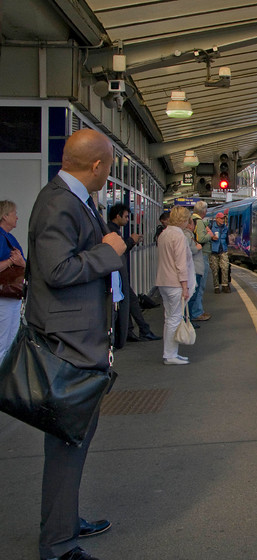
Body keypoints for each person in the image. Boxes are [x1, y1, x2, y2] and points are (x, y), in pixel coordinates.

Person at [26, 128, 127, 560]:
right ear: (97, 166)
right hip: (68, 344)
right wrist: (108, 250)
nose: (108, 176)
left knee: (73, 441)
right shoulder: (59, 204)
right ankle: (58, 546)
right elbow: (56, 270)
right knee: (69, 444)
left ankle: (65, 522)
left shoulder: (73, 201)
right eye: (108, 167)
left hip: (78, 340)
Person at [107, 203, 160, 343]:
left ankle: (131, 330)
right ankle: (141, 330)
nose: (127, 219)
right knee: (131, 301)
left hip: (118, 275)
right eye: (125, 216)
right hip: (117, 275)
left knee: (129, 301)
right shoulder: (111, 232)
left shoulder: (114, 230)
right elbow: (118, 251)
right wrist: (131, 241)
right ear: (117, 216)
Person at [156, 205, 195, 365]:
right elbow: (181, 263)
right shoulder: (178, 236)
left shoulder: (164, 234)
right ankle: (170, 355)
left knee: (169, 318)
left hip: (164, 282)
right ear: (183, 220)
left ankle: (170, 353)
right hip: (175, 283)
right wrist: (185, 286)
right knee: (174, 319)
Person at [0, 200, 26, 361]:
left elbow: (23, 263)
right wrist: (11, 262)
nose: (17, 217)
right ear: (4, 216)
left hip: (13, 295)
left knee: (10, 341)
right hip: (3, 296)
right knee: (3, 341)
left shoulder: (10, 238)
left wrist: (20, 262)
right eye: (14, 213)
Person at [188, 201, 211, 322]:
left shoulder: (191, 219)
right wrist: (210, 235)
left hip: (194, 257)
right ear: (204, 211)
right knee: (199, 286)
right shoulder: (200, 222)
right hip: (200, 255)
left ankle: (195, 312)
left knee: (195, 286)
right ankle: (196, 312)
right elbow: (201, 238)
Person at [209, 211, 230, 293]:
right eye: (221, 218)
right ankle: (216, 286)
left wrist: (226, 248)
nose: (223, 220)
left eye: (223, 218)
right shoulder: (211, 227)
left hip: (223, 250)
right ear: (216, 219)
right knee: (215, 269)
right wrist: (212, 237)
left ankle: (225, 285)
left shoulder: (225, 228)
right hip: (214, 251)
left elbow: (227, 239)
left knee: (225, 267)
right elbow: (207, 237)